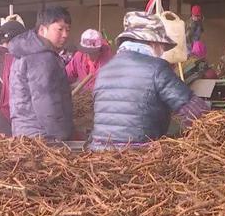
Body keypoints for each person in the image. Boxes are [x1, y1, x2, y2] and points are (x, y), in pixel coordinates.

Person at [89, 11, 209, 150]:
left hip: (99, 156)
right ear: (153, 43)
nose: (163, 51)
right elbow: (196, 112)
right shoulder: (157, 68)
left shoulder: (103, 71)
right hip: (140, 158)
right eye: (162, 46)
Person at [9, 6, 73, 140]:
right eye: (60, 29)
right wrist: (60, 135)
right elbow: (45, 102)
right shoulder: (42, 58)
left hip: (24, 130)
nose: (65, 34)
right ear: (43, 29)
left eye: (68, 29)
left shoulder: (27, 51)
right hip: (42, 136)